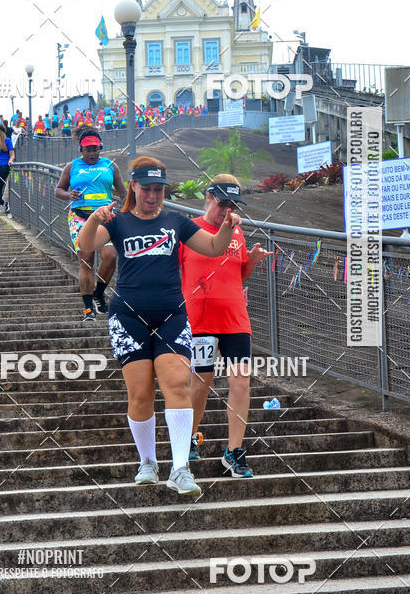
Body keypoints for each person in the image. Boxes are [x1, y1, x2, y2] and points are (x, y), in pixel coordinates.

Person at [78, 156, 242, 497]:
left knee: (178, 387)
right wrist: (94, 218)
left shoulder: (176, 221)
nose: (154, 195)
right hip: (127, 317)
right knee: (139, 393)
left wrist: (227, 225)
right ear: (134, 187)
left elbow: (213, 248)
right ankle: (147, 462)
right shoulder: (119, 221)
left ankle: (180, 468)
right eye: (147, 189)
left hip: (172, 317)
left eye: (159, 190)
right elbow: (86, 245)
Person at [179, 175, 271, 478]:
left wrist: (254, 260)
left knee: (241, 382)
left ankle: (234, 452)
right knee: (201, 382)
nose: (227, 211)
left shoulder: (238, 233)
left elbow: (239, 275)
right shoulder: (189, 230)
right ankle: (189, 436)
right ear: (208, 198)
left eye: (232, 206)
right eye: (222, 205)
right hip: (200, 319)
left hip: (235, 319)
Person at [55, 128, 126, 321]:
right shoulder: (72, 166)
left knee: (110, 256)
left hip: (106, 218)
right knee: (86, 261)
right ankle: (88, 308)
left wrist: (132, 212)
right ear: (81, 150)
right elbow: (58, 190)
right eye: (88, 149)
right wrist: (69, 195)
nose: (92, 153)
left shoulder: (110, 165)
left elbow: (123, 192)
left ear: (100, 148)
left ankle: (99, 293)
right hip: (80, 217)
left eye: (95, 149)